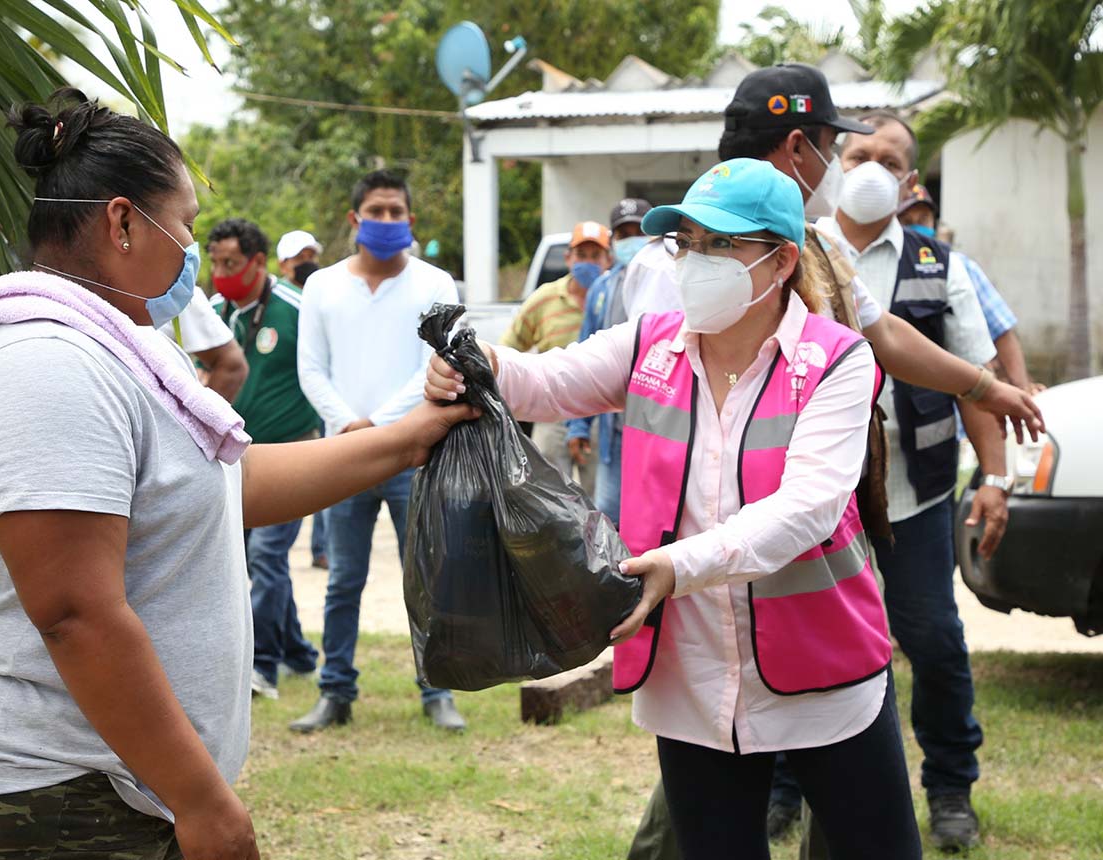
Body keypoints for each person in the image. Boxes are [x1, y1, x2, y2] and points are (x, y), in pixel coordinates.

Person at [0, 89, 474, 860]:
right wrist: (202, 800)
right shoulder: (43, 362)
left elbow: (232, 484)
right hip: (54, 786)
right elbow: (75, 612)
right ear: (124, 221)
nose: (195, 253)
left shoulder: (127, 347)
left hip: (110, 779)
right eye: (189, 224)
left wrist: (411, 439)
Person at [429, 159, 922, 860]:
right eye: (686, 242)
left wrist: (677, 565)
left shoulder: (838, 360)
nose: (695, 261)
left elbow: (807, 509)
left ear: (780, 261)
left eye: (722, 245)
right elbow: (545, 383)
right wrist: (475, 360)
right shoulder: (650, 343)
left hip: (824, 671)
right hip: (691, 675)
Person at [622, 62, 1042, 860]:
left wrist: (985, 386)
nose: (844, 171)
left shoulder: (806, 249)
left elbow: (885, 339)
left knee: (834, 764)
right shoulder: (684, 261)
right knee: (704, 789)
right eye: (834, 149)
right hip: (717, 566)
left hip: (809, 560)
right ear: (799, 148)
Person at [815, 109, 1004, 851]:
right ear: (834, 164)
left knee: (932, 639)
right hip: (824, 498)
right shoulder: (797, 251)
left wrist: (994, 476)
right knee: (812, 639)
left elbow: (975, 382)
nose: (869, 168)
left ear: (910, 181)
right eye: (857, 153)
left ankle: (951, 788)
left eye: (888, 160)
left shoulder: (938, 262)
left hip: (919, 496)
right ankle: (790, 789)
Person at [294, 169, 464, 734]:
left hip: (416, 453)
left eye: (397, 212)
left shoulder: (436, 284)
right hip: (341, 455)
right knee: (344, 577)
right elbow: (311, 370)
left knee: (428, 573)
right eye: (377, 211)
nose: (387, 221)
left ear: (411, 221)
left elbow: (434, 368)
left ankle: (437, 691)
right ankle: (334, 691)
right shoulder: (321, 286)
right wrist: (351, 426)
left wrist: (377, 427)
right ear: (354, 219)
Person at [206, 217, 320, 701]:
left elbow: (320, 374)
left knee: (267, 557)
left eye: (230, 263)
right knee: (255, 563)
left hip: (290, 453)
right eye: (214, 262)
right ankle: (298, 652)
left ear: (258, 262)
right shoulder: (210, 312)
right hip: (233, 461)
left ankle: (262, 667)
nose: (220, 273)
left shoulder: (299, 309)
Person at [501, 220, 613, 497]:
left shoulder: (616, 299)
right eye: (581, 255)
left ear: (608, 259)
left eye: (595, 256)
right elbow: (509, 348)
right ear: (568, 258)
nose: (587, 262)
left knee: (600, 498)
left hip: (601, 413)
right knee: (548, 495)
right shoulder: (545, 300)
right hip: (551, 409)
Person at [898, 184, 1039, 393]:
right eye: (907, 222)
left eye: (923, 220)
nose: (917, 228)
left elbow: (1001, 329)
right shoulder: (886, 269)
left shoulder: (957, 266)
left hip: (960, 400)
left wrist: (1022, 388)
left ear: (934, 223)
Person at [565, 199, 652, 524]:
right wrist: (578, 425)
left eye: (638, 232)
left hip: (660, 426)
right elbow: (586, 356)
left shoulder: (670, 281)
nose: (631, 240)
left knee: (653, 520)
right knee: (608, 520)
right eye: (623, 233)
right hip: (614, 433)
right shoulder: (602, 289)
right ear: (614, 242)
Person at [277, 228, 329, 568]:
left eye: (311, 256)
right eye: (299, 258)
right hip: (290, 417)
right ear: (283, 265)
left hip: (322, 406)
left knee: (326, 481)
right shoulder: (282, 304)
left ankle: (322, 548)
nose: (306, 263)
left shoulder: (324, 301)